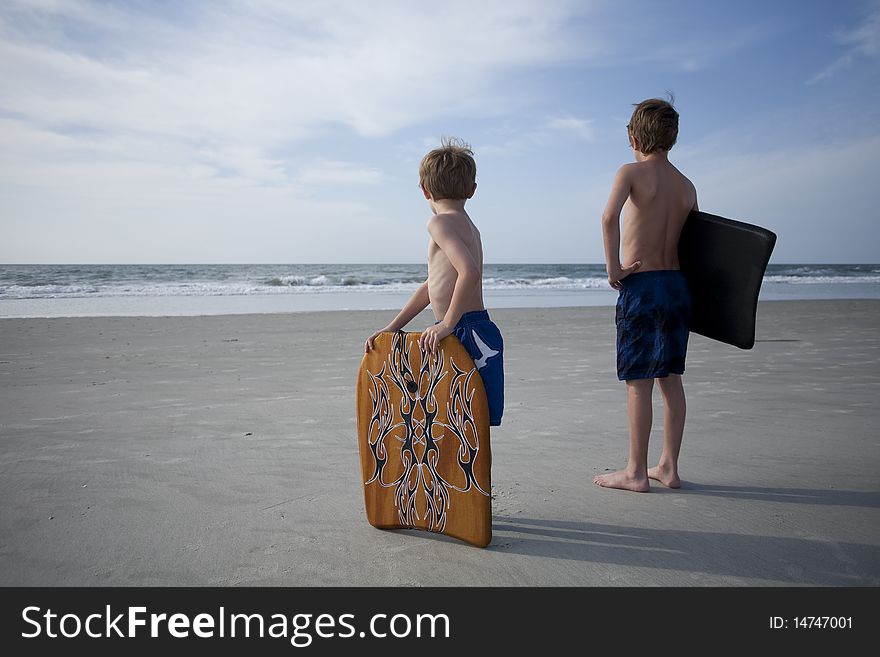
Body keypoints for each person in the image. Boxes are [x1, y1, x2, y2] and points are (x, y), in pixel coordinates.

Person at [594, 98, 697, 492]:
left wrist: (613, 269)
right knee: (671, 378)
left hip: (643, 285)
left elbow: (608, 218)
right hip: (677, 286)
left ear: (633, 137)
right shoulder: (686, 185)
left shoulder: (631, 172)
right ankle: (668, 467)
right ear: (672, 139)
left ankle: (636, 471)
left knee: (638, 380)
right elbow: (696, 241)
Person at [364, 137, 504, 427]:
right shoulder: (468, 226)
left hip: (464, 332)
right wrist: (393, 327)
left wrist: (446, 325)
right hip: (478, 328)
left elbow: (470, 273)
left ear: (424, 190)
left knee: (456, 421)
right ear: (472, 190)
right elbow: (433, 286)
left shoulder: (439, 223)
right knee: (468, 423)